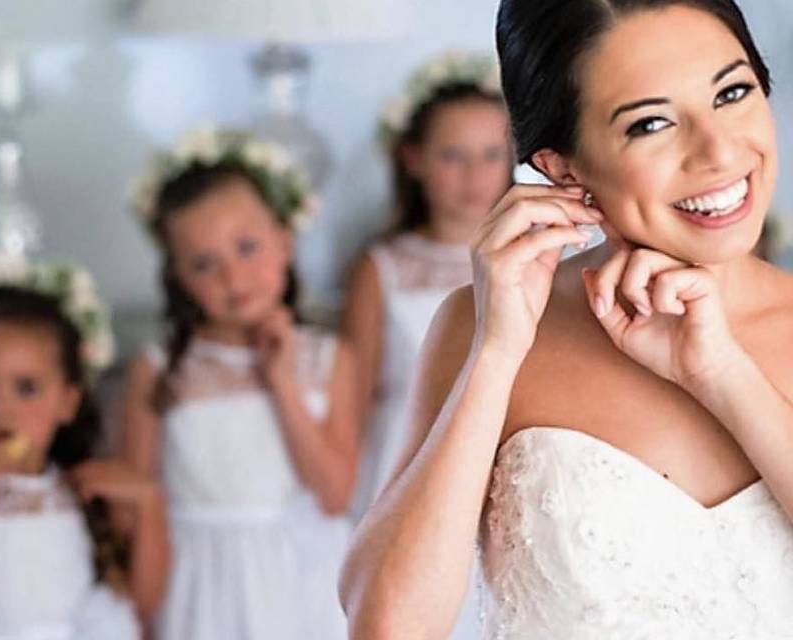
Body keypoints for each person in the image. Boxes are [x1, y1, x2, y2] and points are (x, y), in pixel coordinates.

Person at [340, 2, 793, 638]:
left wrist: (723, 375)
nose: (719, 152)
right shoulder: (487, 329)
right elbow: (388, 627)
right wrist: (496, 352)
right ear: (562, 167)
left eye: (733, 91)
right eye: (652, 123)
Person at [124, 126, 358, 639]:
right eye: (204, 264)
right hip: (197, 585)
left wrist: (282, 384)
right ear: (178, 277)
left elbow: (335, 495)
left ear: (283, 239)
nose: (233, 278)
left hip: (300, 581)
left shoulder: (327, 358)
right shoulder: (159, 371)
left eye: (247, 247)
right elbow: (134, 512)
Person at [0, 255, 166, 639]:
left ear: (68, 402)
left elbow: (142, 610)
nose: (0, 409)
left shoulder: (82, 490)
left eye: (26, 388)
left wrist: (150, 504)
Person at [344, 50, 512, 523]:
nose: (474, 174)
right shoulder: (381, 268)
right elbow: (354, 398)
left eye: (491, 154)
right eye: (452, 156)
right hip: (406, 450)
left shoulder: (546, 254)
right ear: (414, 160)